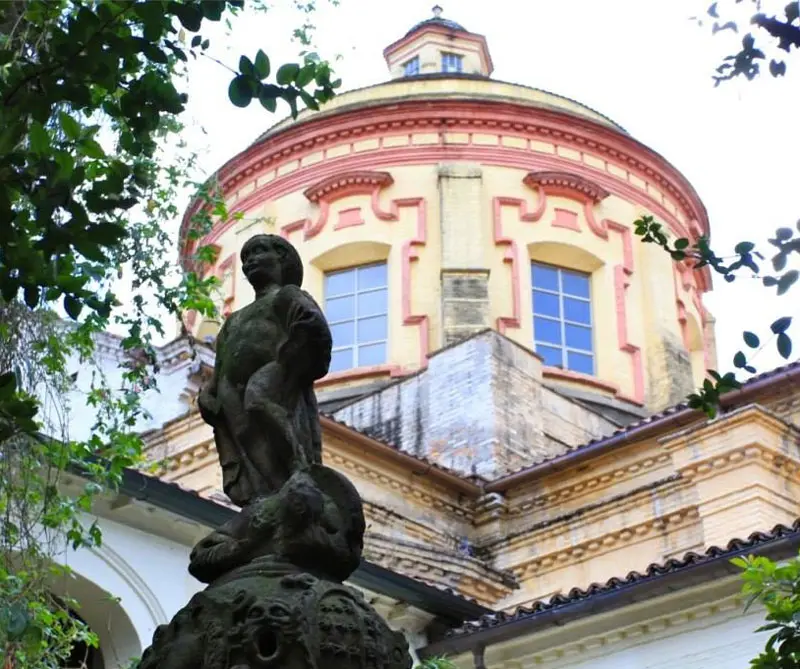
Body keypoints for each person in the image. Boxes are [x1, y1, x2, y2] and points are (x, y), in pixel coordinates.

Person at [197, 234, 332, 507]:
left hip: (279, 368)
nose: (251, 261)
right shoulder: (234, 319)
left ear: (281, 259)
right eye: (246, 258)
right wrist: (208, 392)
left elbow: (312, 323)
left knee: (258, 399)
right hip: (230, 388)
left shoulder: (286, 296)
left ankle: (298, 466)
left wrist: (294, 348)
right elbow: (222, 360)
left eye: (259, 252)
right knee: (246, 434)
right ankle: (268, 492)